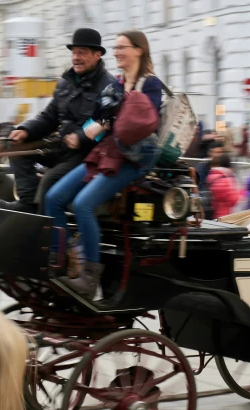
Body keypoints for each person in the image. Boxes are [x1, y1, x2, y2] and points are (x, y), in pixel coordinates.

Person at [45, 30, 163, 299]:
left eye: (123, 47)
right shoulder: (116, 85)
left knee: (82, 204)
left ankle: (89, 279)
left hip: (133, 158)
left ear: (139, 50)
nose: (117, 52)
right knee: (54, 197)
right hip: (107, 152)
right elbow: (96, 122)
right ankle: (59, 263)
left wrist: (105, 123)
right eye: (116, 47)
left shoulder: (150, 84)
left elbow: (142, 123)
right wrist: (83, 132)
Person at [1, 28, 116, 213]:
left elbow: (104, 122)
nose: (76, 57)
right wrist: (25, 130)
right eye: (74, 52)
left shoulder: (109, 87)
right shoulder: (65, 83)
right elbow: (49, 116)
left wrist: (80, 138)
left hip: (85, 154)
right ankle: (27, 202)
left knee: (49, 181)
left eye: (82, 52)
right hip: (61, 147)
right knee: (15, 145)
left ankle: (41, 230)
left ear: (97, 55)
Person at [205, 154, 240, 219]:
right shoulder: (226, 178)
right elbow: (233, 200)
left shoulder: (212, 175)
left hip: (213, 212)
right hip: (225, 214)